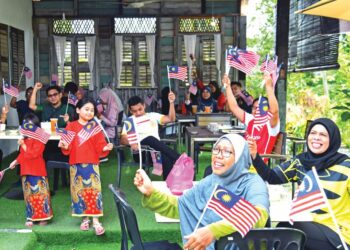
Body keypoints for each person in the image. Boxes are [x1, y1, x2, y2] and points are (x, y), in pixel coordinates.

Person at [134, 134, 269, 249]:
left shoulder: (253, 183)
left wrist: (213, 231)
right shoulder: (211, 180)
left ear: (240, 157)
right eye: (216, 149)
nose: (218, 156)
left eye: (227, 152)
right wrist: (151, 192)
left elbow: (258, 215)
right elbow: (181, 206)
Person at [248, 118, 350, 250]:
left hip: (340, 233)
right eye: (313, 133)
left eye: (323, 135)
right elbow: (272, 177)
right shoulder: (301, 162)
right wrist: (255, 156)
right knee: (283, 228)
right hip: (314, 227)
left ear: (333, 139)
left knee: (290, 232)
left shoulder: (346, 165)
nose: (316, 138)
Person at [58, 98, 114, 236]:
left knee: (94, 191)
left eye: (92, 110)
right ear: (77, 110)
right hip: (76, 163)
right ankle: (84, 218)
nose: (89, 112)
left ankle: (95, 221)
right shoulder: (70, 126)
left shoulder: (95, 127)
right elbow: (66, 145)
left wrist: (106, 147)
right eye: (86, 109)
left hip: (92, 163)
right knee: (79, 191)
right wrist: (64, 145)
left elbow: (100, 145)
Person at [120, 94, 180, 180]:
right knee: (149, 138)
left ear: (144, 105)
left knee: (166, 158)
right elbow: (122, 140)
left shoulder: (152, 116)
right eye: (134, 111)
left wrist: (171, 103)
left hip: (157, 151)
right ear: (130, 110)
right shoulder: (129, 121)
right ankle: (178, 158)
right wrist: (132, 142)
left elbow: (171, 119)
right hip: (141, 152)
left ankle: (168, 185)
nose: (138, 113)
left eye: (140, 109)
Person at [9, 113, 53, 227]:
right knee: (28, 195)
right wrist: (15, 161)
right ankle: (31, 217)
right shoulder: (24, 139)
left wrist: (23, 145)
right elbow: (23, 155)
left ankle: (44, 217)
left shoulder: (40, 139)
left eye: (30, 126)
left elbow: (33, 154)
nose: (27, 128)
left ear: (36, 127)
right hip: (26, 170)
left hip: (38, 170)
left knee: (40, 194)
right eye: (25, 125)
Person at [223, 74, 280, 159]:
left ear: (268, 110)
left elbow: (275, 110)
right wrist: (227, 86)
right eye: (254, 107)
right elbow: (234, 107)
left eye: (260, 108)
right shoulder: (251, 119)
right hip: (243, 159)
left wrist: (268, 86)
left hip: (256, 165)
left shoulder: (270, 124)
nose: (256, 110)